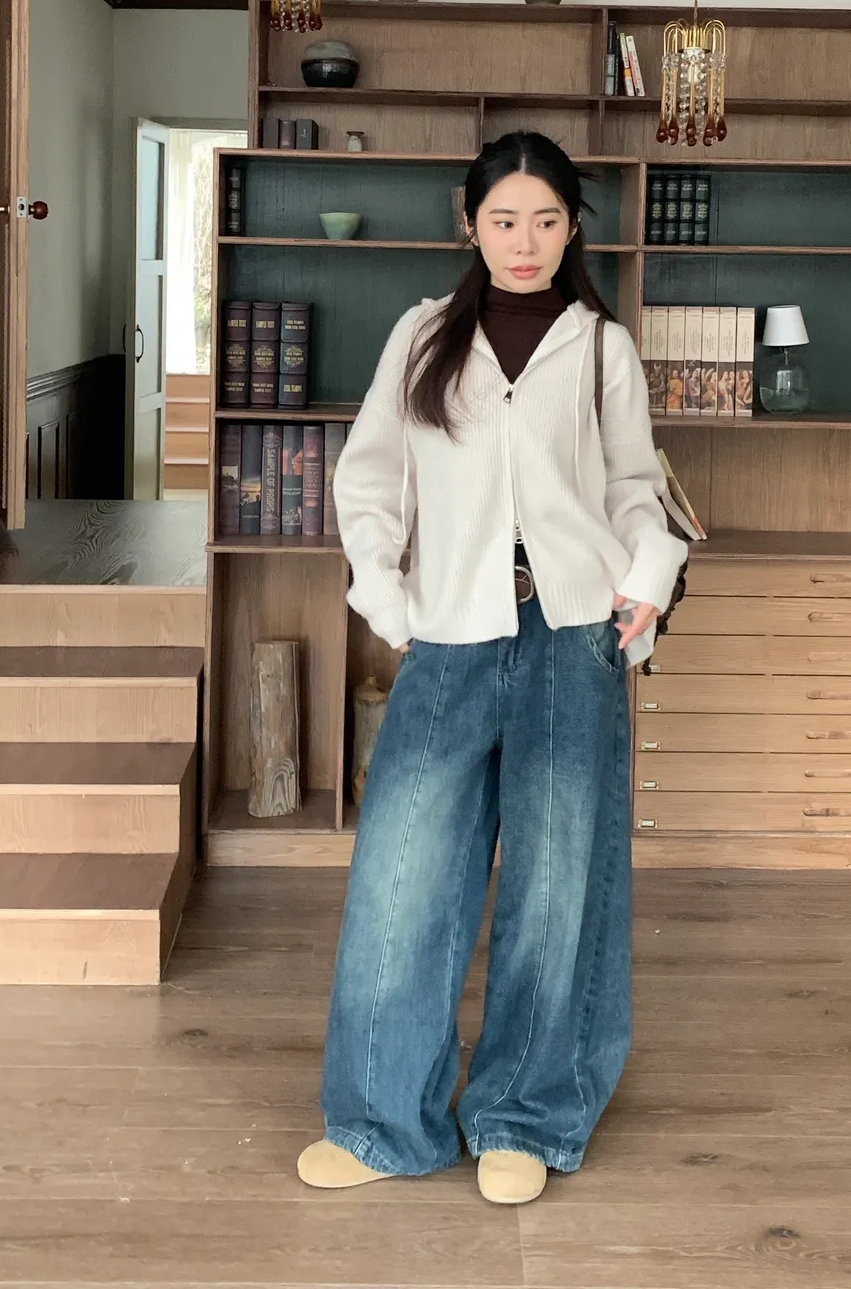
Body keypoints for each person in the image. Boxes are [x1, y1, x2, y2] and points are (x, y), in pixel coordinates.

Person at [297, 130, 685, 1205]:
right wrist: (390, 604)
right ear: (469, 223)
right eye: (505, 219)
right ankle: (382, 1122)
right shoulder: (422, 336)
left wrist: (647, 578)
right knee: (403, 877)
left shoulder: (601, 348)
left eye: (547, 221)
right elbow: (368, 479)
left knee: (558, 887)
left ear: (573, 230)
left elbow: (634, 489)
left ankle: (524, 1116)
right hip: (451, 632)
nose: (526, 241)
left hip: (574, 633)